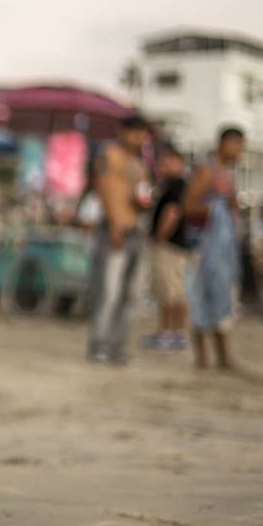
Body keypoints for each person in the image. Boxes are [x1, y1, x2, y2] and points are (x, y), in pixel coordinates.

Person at [86, 114, 151, 364]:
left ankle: (117, 347)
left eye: (142, 133)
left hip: (137, 231)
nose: (140, 138)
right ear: (123, 131)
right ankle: (99, 346)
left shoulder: (139, 161)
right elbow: (102, 188)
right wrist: (114, 223)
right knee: (110, 292)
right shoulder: (109, 154)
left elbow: (139, 194)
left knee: (132, 295)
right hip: (114, 229)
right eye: (136, 132)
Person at [183, 127, 245, 370]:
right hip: (205, 246)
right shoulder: (207, 169)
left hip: (221, 249)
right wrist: (216, 210)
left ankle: (222, 356)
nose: (241, 151)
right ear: (226, 143)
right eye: (239, 145)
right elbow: (189, 205)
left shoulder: (226, 173)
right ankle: (203, 357)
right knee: (201, 298)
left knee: (222, 298)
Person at [142, 147, 191, 351]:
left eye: (166, 162)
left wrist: (159, 237)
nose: (162, 167)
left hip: (169, 246)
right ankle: (176, 334)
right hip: (177, 246)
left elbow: (172, 212)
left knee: (168, 292)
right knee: (177, 292)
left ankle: (167, 333)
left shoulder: (176, 185)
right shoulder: (177, 185)